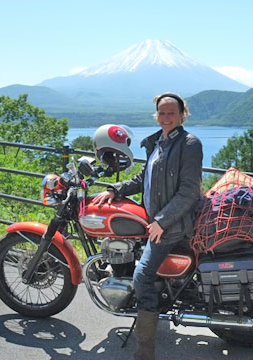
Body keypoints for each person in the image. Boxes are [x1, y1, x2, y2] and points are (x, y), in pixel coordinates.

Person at [91, 93, 203, 360]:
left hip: (172, 226)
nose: (166, 118)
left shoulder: (189, 144)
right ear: (156, 115)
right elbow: (145, 177)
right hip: (160, 221)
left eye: (171, 114)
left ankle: (144, 353)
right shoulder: (159, 142)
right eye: (161, 113)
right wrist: (114, 189)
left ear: (181, 115)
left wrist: (162, 222)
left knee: (142, 277)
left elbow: (189, 191)